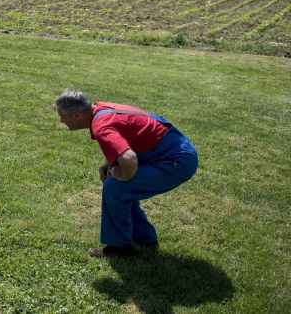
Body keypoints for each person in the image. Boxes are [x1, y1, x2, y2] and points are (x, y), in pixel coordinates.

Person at [54, 88, 198, 257]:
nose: (61, 121)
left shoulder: (101, 125)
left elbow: (129, 159)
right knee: (119, 186)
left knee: (116, 188)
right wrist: (110, 163)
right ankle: (144, 238)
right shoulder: (99, 109)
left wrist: (124, 176)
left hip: (176, 159)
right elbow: (128, 133)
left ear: (76, 114)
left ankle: (120, 247)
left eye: (61, 117)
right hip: (171, 149)